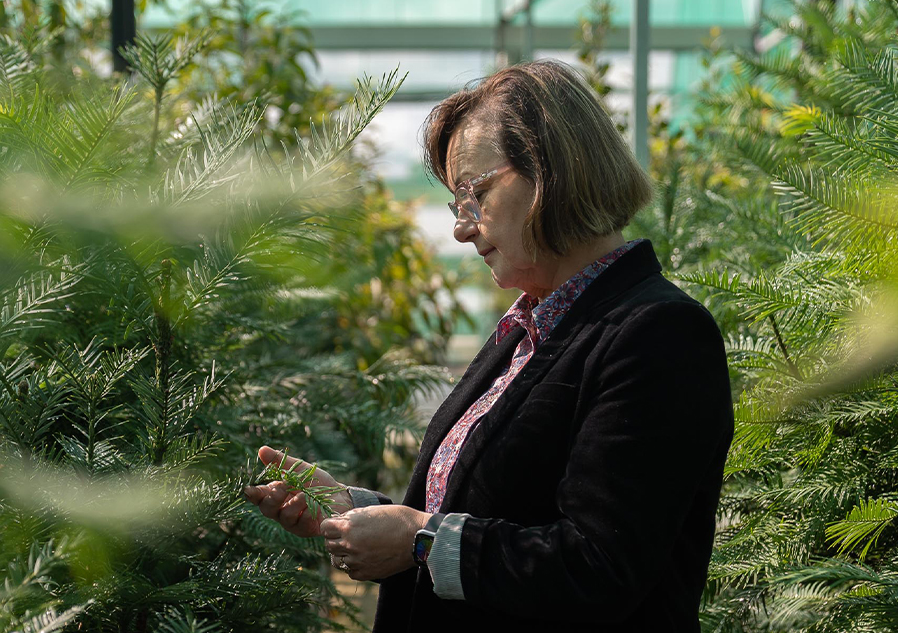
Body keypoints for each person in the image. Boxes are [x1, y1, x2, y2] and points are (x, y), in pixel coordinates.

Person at [244, 59, 734, 631]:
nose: (461, 227)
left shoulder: (657, 333)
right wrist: (359, 513)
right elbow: (498, 510)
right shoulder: (531, 329)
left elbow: (599, 567)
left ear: (551, 171)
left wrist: (421, 542)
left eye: (473, 193)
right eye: (456, 205)